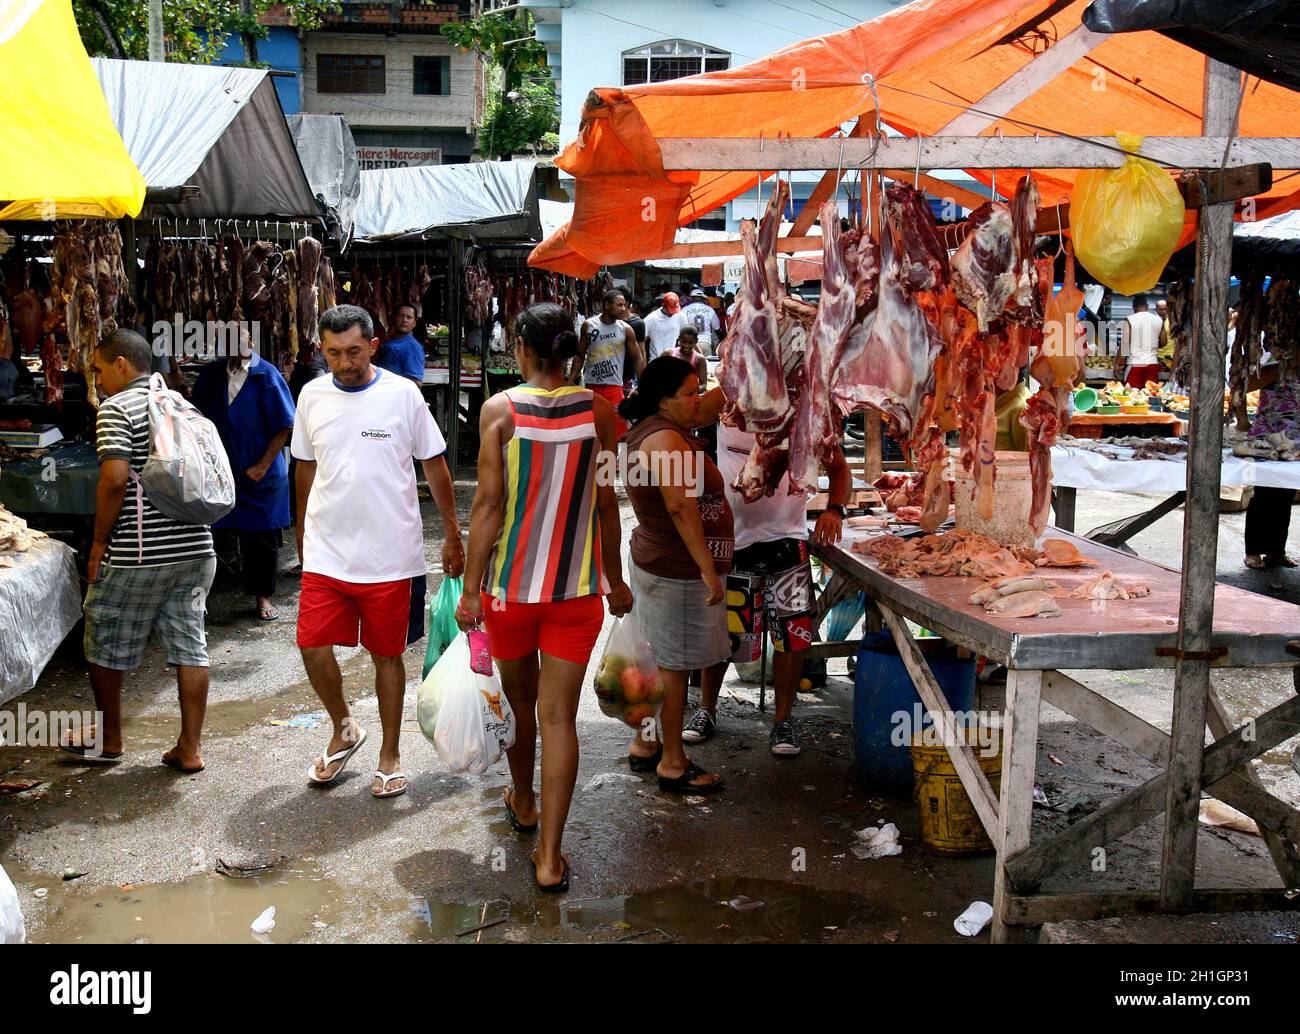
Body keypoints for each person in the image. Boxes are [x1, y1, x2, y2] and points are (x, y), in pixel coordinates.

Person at [456, 302, 633, 893]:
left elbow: (487, 505)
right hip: (576, 595)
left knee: (521, 706)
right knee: (560, 718)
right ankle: (551, 857)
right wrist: (615, 579)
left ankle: (524, 801)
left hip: (511, 595)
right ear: (573, 353)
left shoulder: (498, 412)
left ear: (522, 351)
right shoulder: (601, 412)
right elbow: (608, 503)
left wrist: (473, 590)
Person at [292, 305, 465, 799]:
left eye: (353, 351)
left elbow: (434, 466)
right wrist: (302, 535)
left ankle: (389, 753)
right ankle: (345, 728)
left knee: (387, 656)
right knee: (311, 643)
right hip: (327, 553)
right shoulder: (311, 395)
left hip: (392, 556)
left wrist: (452, 534)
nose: (344, 363)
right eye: (333, 353)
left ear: (372, 345)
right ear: (322, 351)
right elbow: (304, 469)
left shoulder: (403, 394)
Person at [67, 330, 217, 773]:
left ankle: (110, 739)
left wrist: (97, 544)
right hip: (197, 548)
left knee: (103, 636)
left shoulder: (116, 408)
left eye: (98, 369)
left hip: (139, 551)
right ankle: (189, 748)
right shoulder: (178, 402)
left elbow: (114, 479)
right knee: (191, 644)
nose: (97, 381)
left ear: (120, 364)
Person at [685, 390, 850, 756]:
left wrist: (834, 509)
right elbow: (688, 412)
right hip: (732, 540)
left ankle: (783, 720)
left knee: (792, 635)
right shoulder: (730, 396)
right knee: (723, 632)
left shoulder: (805, 411)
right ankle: (706, 709)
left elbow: (839, 469)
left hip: (786, 539)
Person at [619, 356, 734, 794]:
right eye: (691, 391)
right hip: (677, 569)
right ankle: (672, 761)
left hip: (660, 562)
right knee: (672, 667)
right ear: (666, 401)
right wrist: (707, 571)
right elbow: (680, 507)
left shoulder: (657, 424)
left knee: (658, 658)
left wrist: (740, 374)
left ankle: (645, 744)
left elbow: (705, 410)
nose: (698, 399)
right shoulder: (666, 439)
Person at [193, 340, 296, 622]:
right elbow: (196, 416)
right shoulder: (212, 374)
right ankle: (199, 598)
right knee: (205, 534)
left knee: (260, 537)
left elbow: (285, 424)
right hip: (219, 469)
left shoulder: (267, 375)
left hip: (260, 469)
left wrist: (262, 465)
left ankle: (262, 596)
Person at [1244, 361, 1299, 570]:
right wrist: (1242, 421)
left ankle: (1276, 551)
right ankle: (1253, 550)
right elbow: (1243, 386)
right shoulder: (1276, 368)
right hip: (1268, 441)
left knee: (1285, 495)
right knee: (1265, 494)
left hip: (1294, 443)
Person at [569, 288, 646, 436]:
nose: (623, 309)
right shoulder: (588, 325)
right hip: (592, 386)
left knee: (620, 432)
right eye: (619, 305)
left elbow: (638, 358)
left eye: (624, 305)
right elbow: (579, 355)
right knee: (593, 431)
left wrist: (643, 386)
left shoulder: (626, 329)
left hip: (614, 387)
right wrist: (570, 382)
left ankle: (622, 459)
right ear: (606, 305)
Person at [1119, 293, 1165, 389]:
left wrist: (1118, 363)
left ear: (1133, 307)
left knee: (1132, 396)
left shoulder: (1130, 320)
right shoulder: (1158, 320)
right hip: (1152, 363)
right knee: (1149, 394)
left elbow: (1124, 344)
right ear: (1147, 306)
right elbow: (1163, 342)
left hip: (1135, 363)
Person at [374, 303, 426, 386]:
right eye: (401, 315)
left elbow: (416, 383)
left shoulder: (412, 347)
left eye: (409, 317)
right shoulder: (391, 341)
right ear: (394, 318)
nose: (404, 320)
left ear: (414, 323)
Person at [644, 292, 685, 360]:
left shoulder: (680, 315)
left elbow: (687, 336)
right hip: (655, 361)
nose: (672, 313)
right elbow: (640, 340)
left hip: (673, 361)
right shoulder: (651, 319)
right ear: (663, 305)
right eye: (670, 311)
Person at [681, 288, 722, 355]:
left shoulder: (685, 309)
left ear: (692, 298)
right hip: (705, 342)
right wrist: (721, 338)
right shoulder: (709, 309)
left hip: (690, 342)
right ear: (702, 298)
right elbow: (716, 327)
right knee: (706, 365)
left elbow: (681, 327)